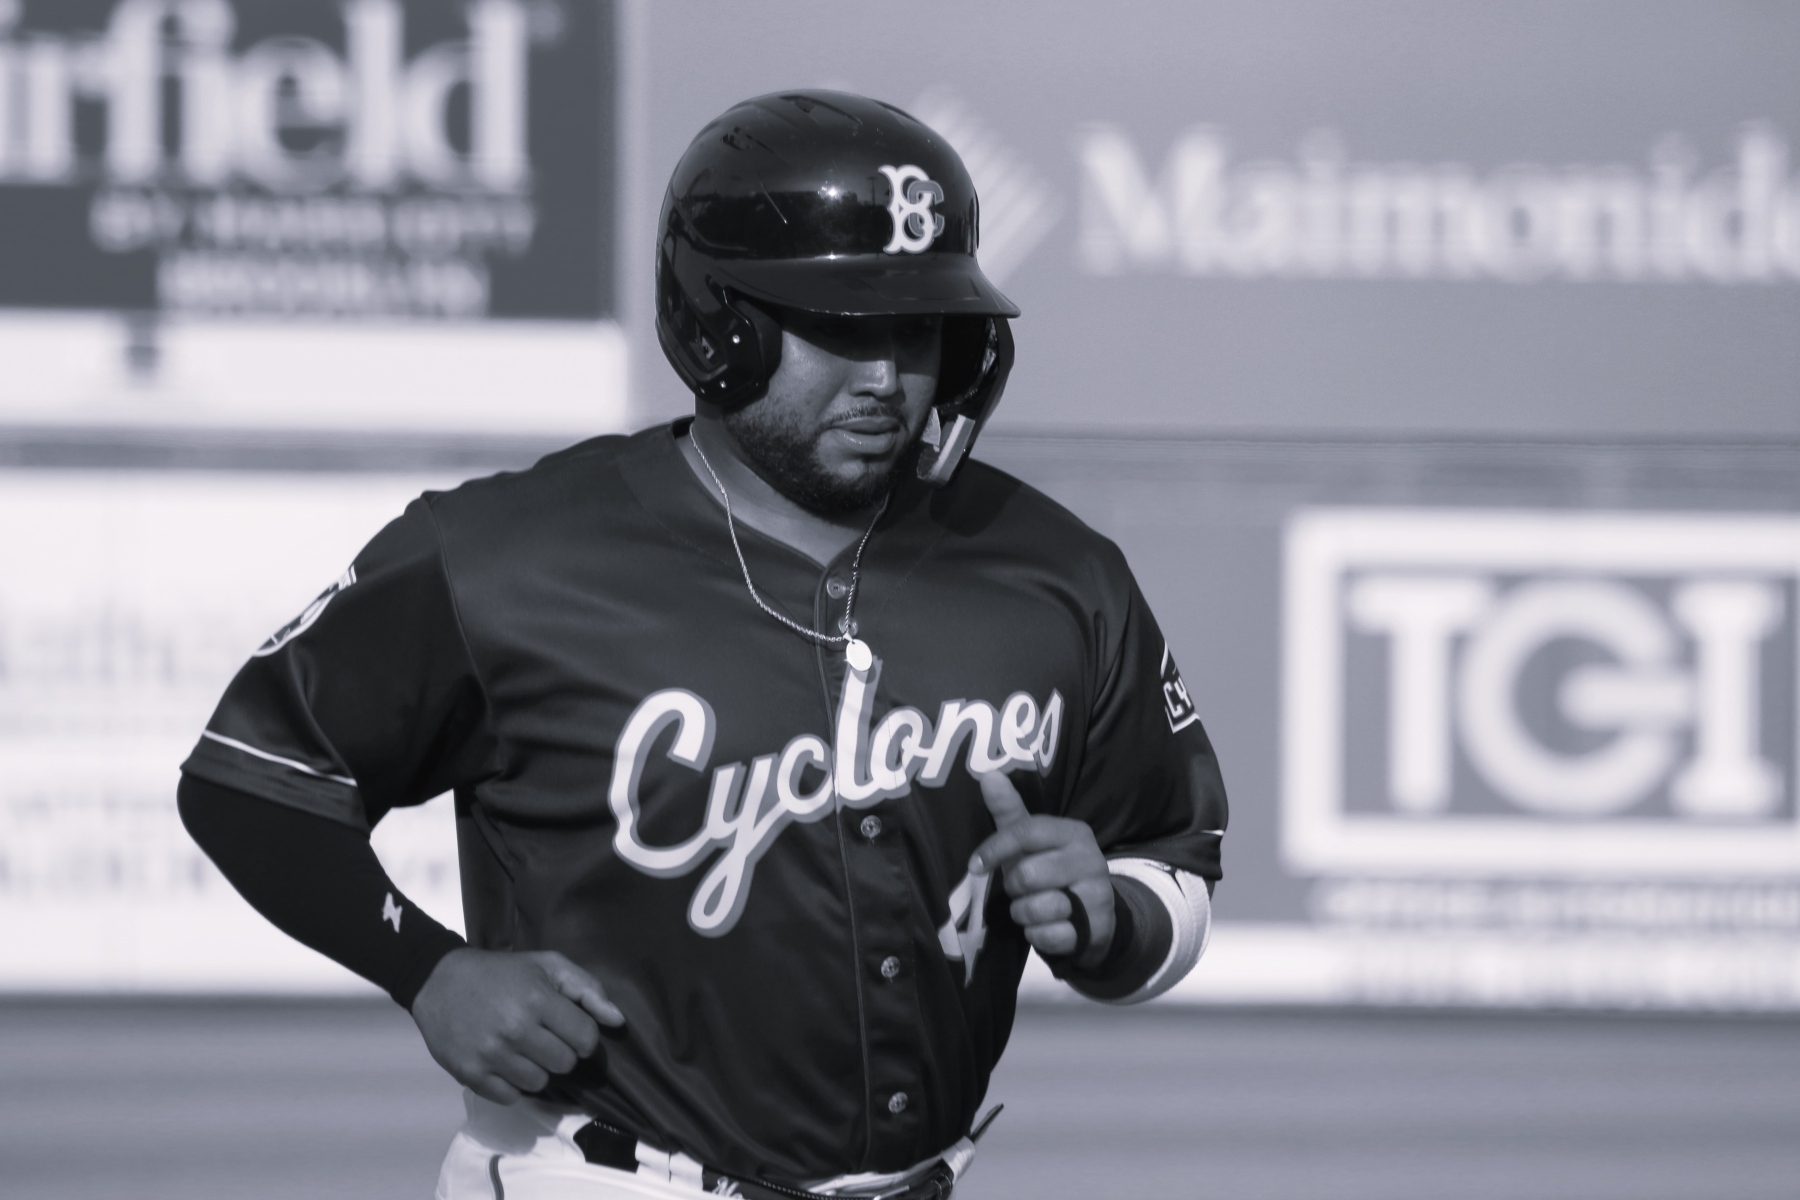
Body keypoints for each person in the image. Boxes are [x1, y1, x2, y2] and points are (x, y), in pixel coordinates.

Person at [179, 90, 1227, 1200]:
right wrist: (426, 967)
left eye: (919, 328)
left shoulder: (1054, 571)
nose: (886, 378)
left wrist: (1112, 921)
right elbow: (253, 780)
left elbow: (1172, 855)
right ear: (719, 323)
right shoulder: (507, 555)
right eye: (843, 326)